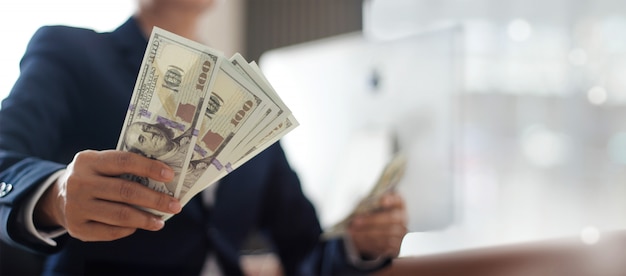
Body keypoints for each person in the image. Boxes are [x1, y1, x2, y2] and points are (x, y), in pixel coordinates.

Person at [0, 0, 408, 275]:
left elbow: (305, 252)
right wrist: (55, 195)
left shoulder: (248, 101)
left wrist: (360, 246)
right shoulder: (70, 51)